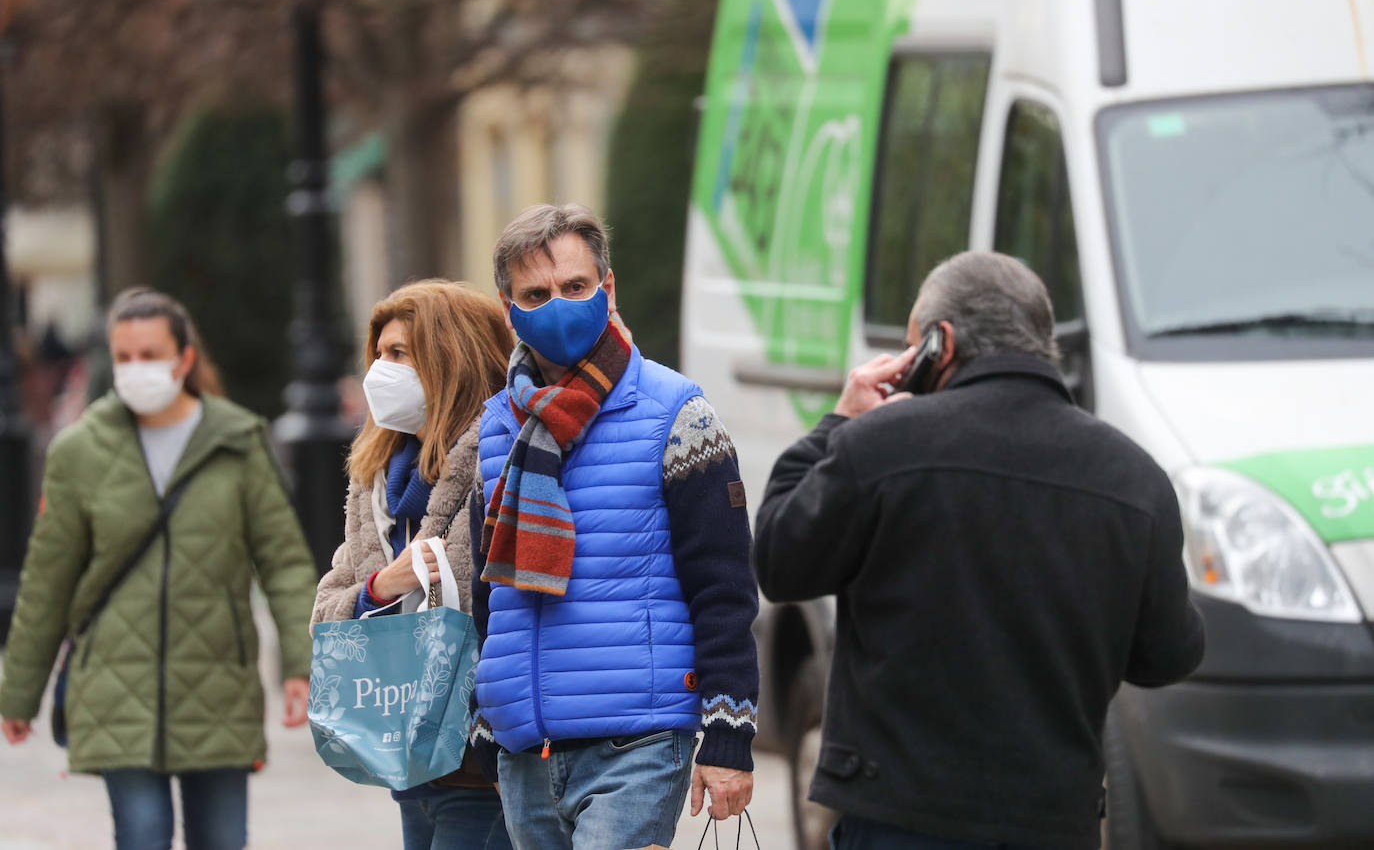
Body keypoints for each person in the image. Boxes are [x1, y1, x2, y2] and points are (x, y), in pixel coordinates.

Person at [753, 251, 1206, 850]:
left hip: (899, 819)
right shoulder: (1136, 480)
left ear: (939, 344)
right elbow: (1169, 656)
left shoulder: (880, 446)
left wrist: (837, 421)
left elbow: (779, 559)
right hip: (1053, 824)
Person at [467, 203, 760, 850]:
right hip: (527, 751)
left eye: (576, 287)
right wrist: (486, 716)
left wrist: (729, 733)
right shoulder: (495, 428)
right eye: (536, 294)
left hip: (639, 742)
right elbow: (489, 593)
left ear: (609, 288)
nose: (559, 305)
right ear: (507, 306)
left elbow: (724, 584)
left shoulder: (675, 414)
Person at [0, 287, 318, 850]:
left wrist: (300, 664)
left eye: (150, 355)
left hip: (218, 682)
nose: (135, 369)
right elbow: (47, 581)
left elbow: (285, 561)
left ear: (184, 359)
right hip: (115, 684)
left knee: (221, 840)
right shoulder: (80, 451)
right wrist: (17, 693)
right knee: (141, 834)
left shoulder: (237, 440)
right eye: (124, 357)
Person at [312, 280, 514, 850]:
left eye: (400, 354)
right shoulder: (374, 483)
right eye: (378, 355)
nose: (381, 371)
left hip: (482, 766)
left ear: (451, 360)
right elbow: (326, 612)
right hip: (409, 758)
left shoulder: (496, 464)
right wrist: (379, 585)